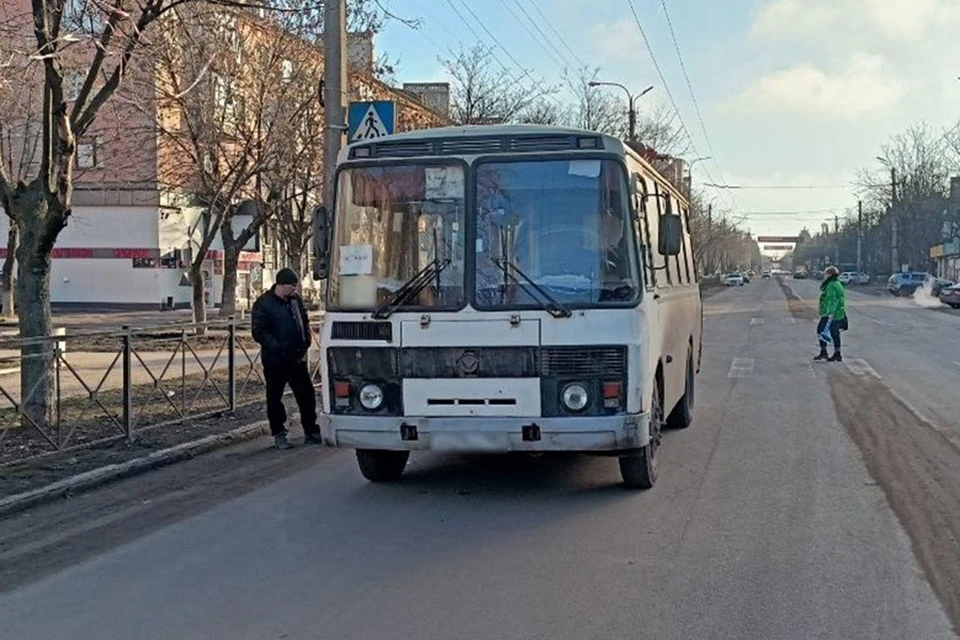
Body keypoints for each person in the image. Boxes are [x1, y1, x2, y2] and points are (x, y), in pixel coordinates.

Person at [251, 268, 322, 449]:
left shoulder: (295, 300)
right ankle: (279, 433)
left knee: (306, 395)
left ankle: (311, 430)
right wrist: (277, 346)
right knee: (275, 397)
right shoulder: (264, 303)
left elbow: (303, 321)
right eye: (292, 286)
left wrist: (305, 340)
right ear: (281, 285)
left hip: (297, 358)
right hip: (276, 360)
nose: (295, 289)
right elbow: (258, 331)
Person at [814, 265, 848, 362]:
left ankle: (826, 352)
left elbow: (832, 299)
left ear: (829, 274)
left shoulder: (831, 285)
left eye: (826, 273)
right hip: (838, 312)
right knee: (834, 333)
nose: (825, 276)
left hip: (831, 313)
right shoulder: (837, 283)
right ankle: (836, 353)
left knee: (821, 330)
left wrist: (830, 313)